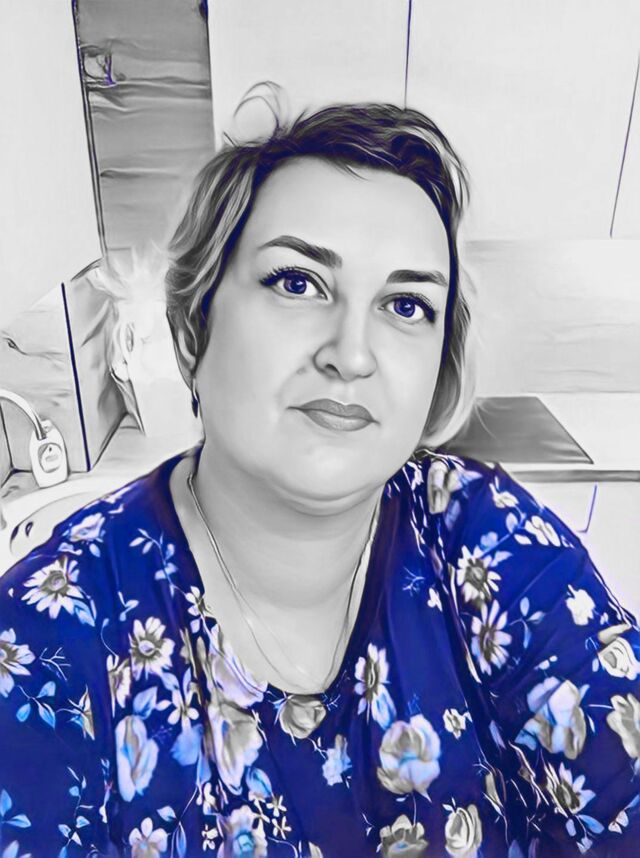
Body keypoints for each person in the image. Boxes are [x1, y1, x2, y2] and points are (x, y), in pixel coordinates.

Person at [0, 96, 639, 858]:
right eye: (297, 282)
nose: (352, 353)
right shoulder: (49, 638)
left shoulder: (481, 534)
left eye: (406, 304)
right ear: (193, 330)